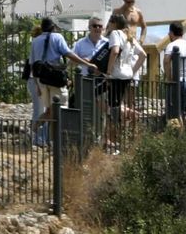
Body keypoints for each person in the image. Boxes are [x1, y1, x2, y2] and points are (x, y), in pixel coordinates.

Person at [29, 17, 94, 147]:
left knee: (49, 111)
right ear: (53, 27)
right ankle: (53, 140)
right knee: (60, 110)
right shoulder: (57, 37)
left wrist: (36, 84)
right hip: (56, 79)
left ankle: (48, 137)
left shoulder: (35, 41)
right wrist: (87, 64)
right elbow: (68, 54)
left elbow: (32, 64)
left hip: (42, 79)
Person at [103, 14, 144, 151]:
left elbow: (114, 52)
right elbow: (143, 55)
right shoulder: (129, 36)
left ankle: (111, 140)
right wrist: (132, 70)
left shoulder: (115, 33)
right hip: (127, 75)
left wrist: (108, 72)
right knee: (116, 106)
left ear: (114, 23)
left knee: (112, 108)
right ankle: (115, 138)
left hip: (116, 76)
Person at [160, 21, 186, 123]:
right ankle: (183, 132)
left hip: (177, 81)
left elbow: (166, 61)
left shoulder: (172, 45)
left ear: (171, 33)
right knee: (182, 110)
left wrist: (170, 79)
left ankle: (178, 135)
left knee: (174, 112)